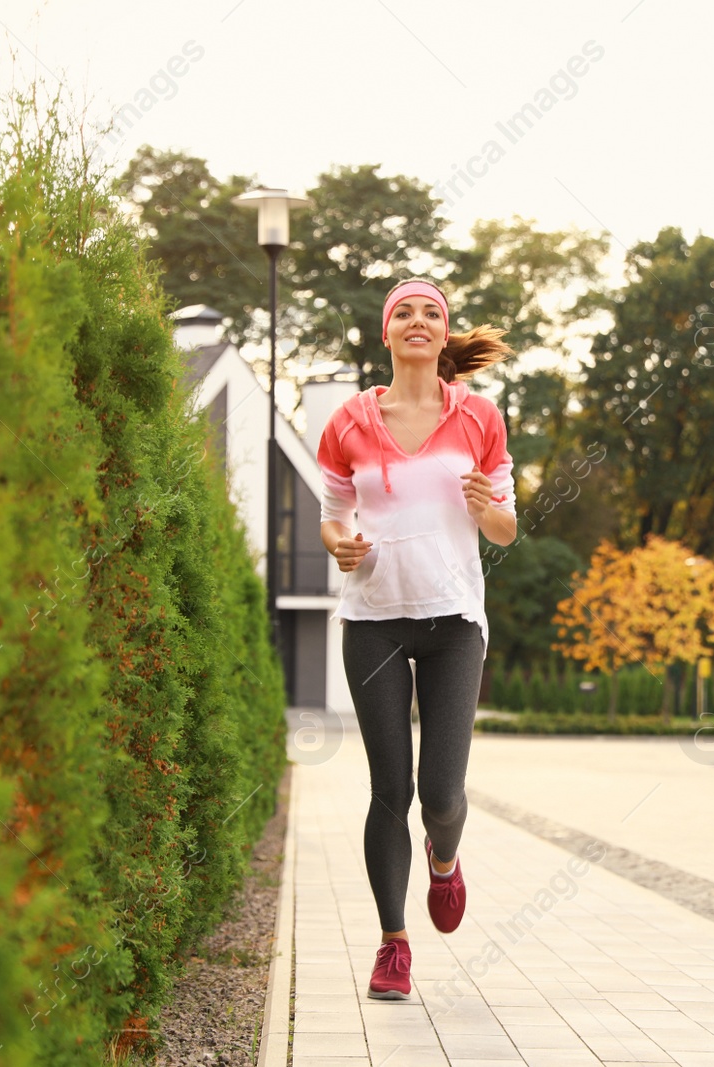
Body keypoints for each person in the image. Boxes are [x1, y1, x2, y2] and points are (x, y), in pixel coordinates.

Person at [316, 278, 517, 1000]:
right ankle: (393, 943)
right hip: (372, 618)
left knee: (441, 793)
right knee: (388, 789)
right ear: (387, 331)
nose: (418, 320)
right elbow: (334, 513)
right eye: (405, 310)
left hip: (454, 621)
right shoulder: (349, 420)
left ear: (443, 333)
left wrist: (489, 504)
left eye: (431, 311)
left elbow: (505, 528)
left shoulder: (480, 417)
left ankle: (445, 858)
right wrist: (340, 543)